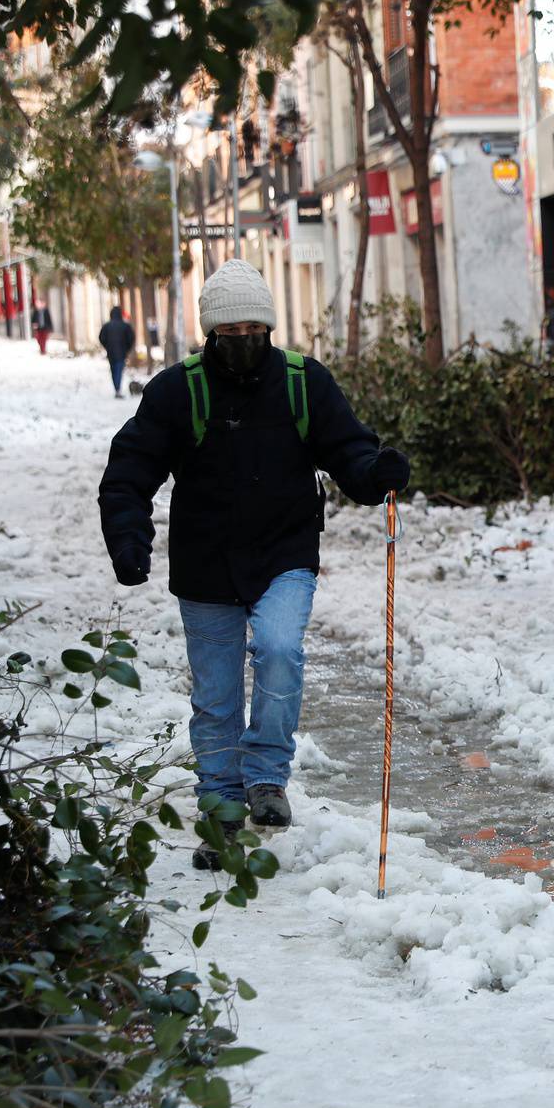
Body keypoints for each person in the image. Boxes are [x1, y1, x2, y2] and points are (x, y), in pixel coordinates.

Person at [98, 260, 411, 869]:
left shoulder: (303, 383)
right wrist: (128, 538)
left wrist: (376, 474)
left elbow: (347, 448)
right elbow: (129, 471)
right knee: (215, 698)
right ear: (210, 334)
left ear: (269, 328)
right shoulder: (178, 390)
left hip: (285, 554)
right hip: (205, 563)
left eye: (253, 329)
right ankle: (220, 807)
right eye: (229, 331)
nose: (242, 341)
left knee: (278, 648)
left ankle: (266, 777)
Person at [98, 306, 135, 399]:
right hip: (122, 353)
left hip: (110, 353)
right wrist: (127, 348)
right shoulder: (125, 326)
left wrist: (107, 346)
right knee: (118, 370)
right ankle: (117, 389)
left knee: (114, 371)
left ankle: (116, 388)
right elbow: (131, 338)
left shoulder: (106, 326)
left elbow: (101, 338)